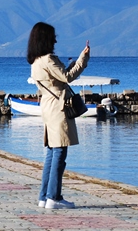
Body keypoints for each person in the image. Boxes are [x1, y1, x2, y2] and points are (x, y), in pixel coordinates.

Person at [26, 22, 90, 209]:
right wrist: (83, 59)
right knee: (60, 152)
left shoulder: (36, 61)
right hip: (58, 108)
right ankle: (54, 197)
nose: (55, 40)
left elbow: (58, 77)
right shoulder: (48, 59)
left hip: (48, 105)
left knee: (51, 153)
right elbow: (68, 77)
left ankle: (44, 196)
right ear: (46, 38)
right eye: (53, 36)